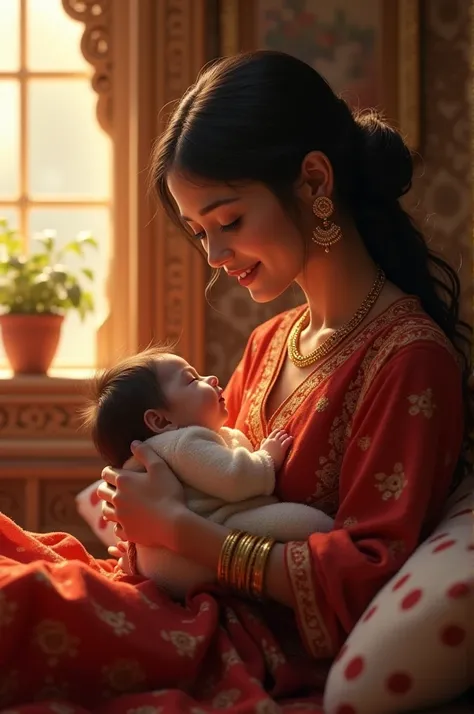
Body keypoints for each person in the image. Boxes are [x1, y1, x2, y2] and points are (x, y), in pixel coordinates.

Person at [0, 50, 470, 713]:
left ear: (313, 181)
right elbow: (214, 485)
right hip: (183, 600)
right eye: (200, 233)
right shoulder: (270, 343)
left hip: (247, 643)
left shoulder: (409, 360)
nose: (215, 258)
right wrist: (143, 503)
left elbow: (365, 579)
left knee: (19, 605)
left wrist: (178, 529)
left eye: (229, 223)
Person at [80, 347, 333, 597]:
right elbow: (235, 479)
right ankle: (332, 536)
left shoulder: (164, 445)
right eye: (192, 379)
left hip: (168, 563)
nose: (210, 378)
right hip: (207, 540)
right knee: (310, 523)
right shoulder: (185, 442)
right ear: (161, 421)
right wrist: (267, 457)